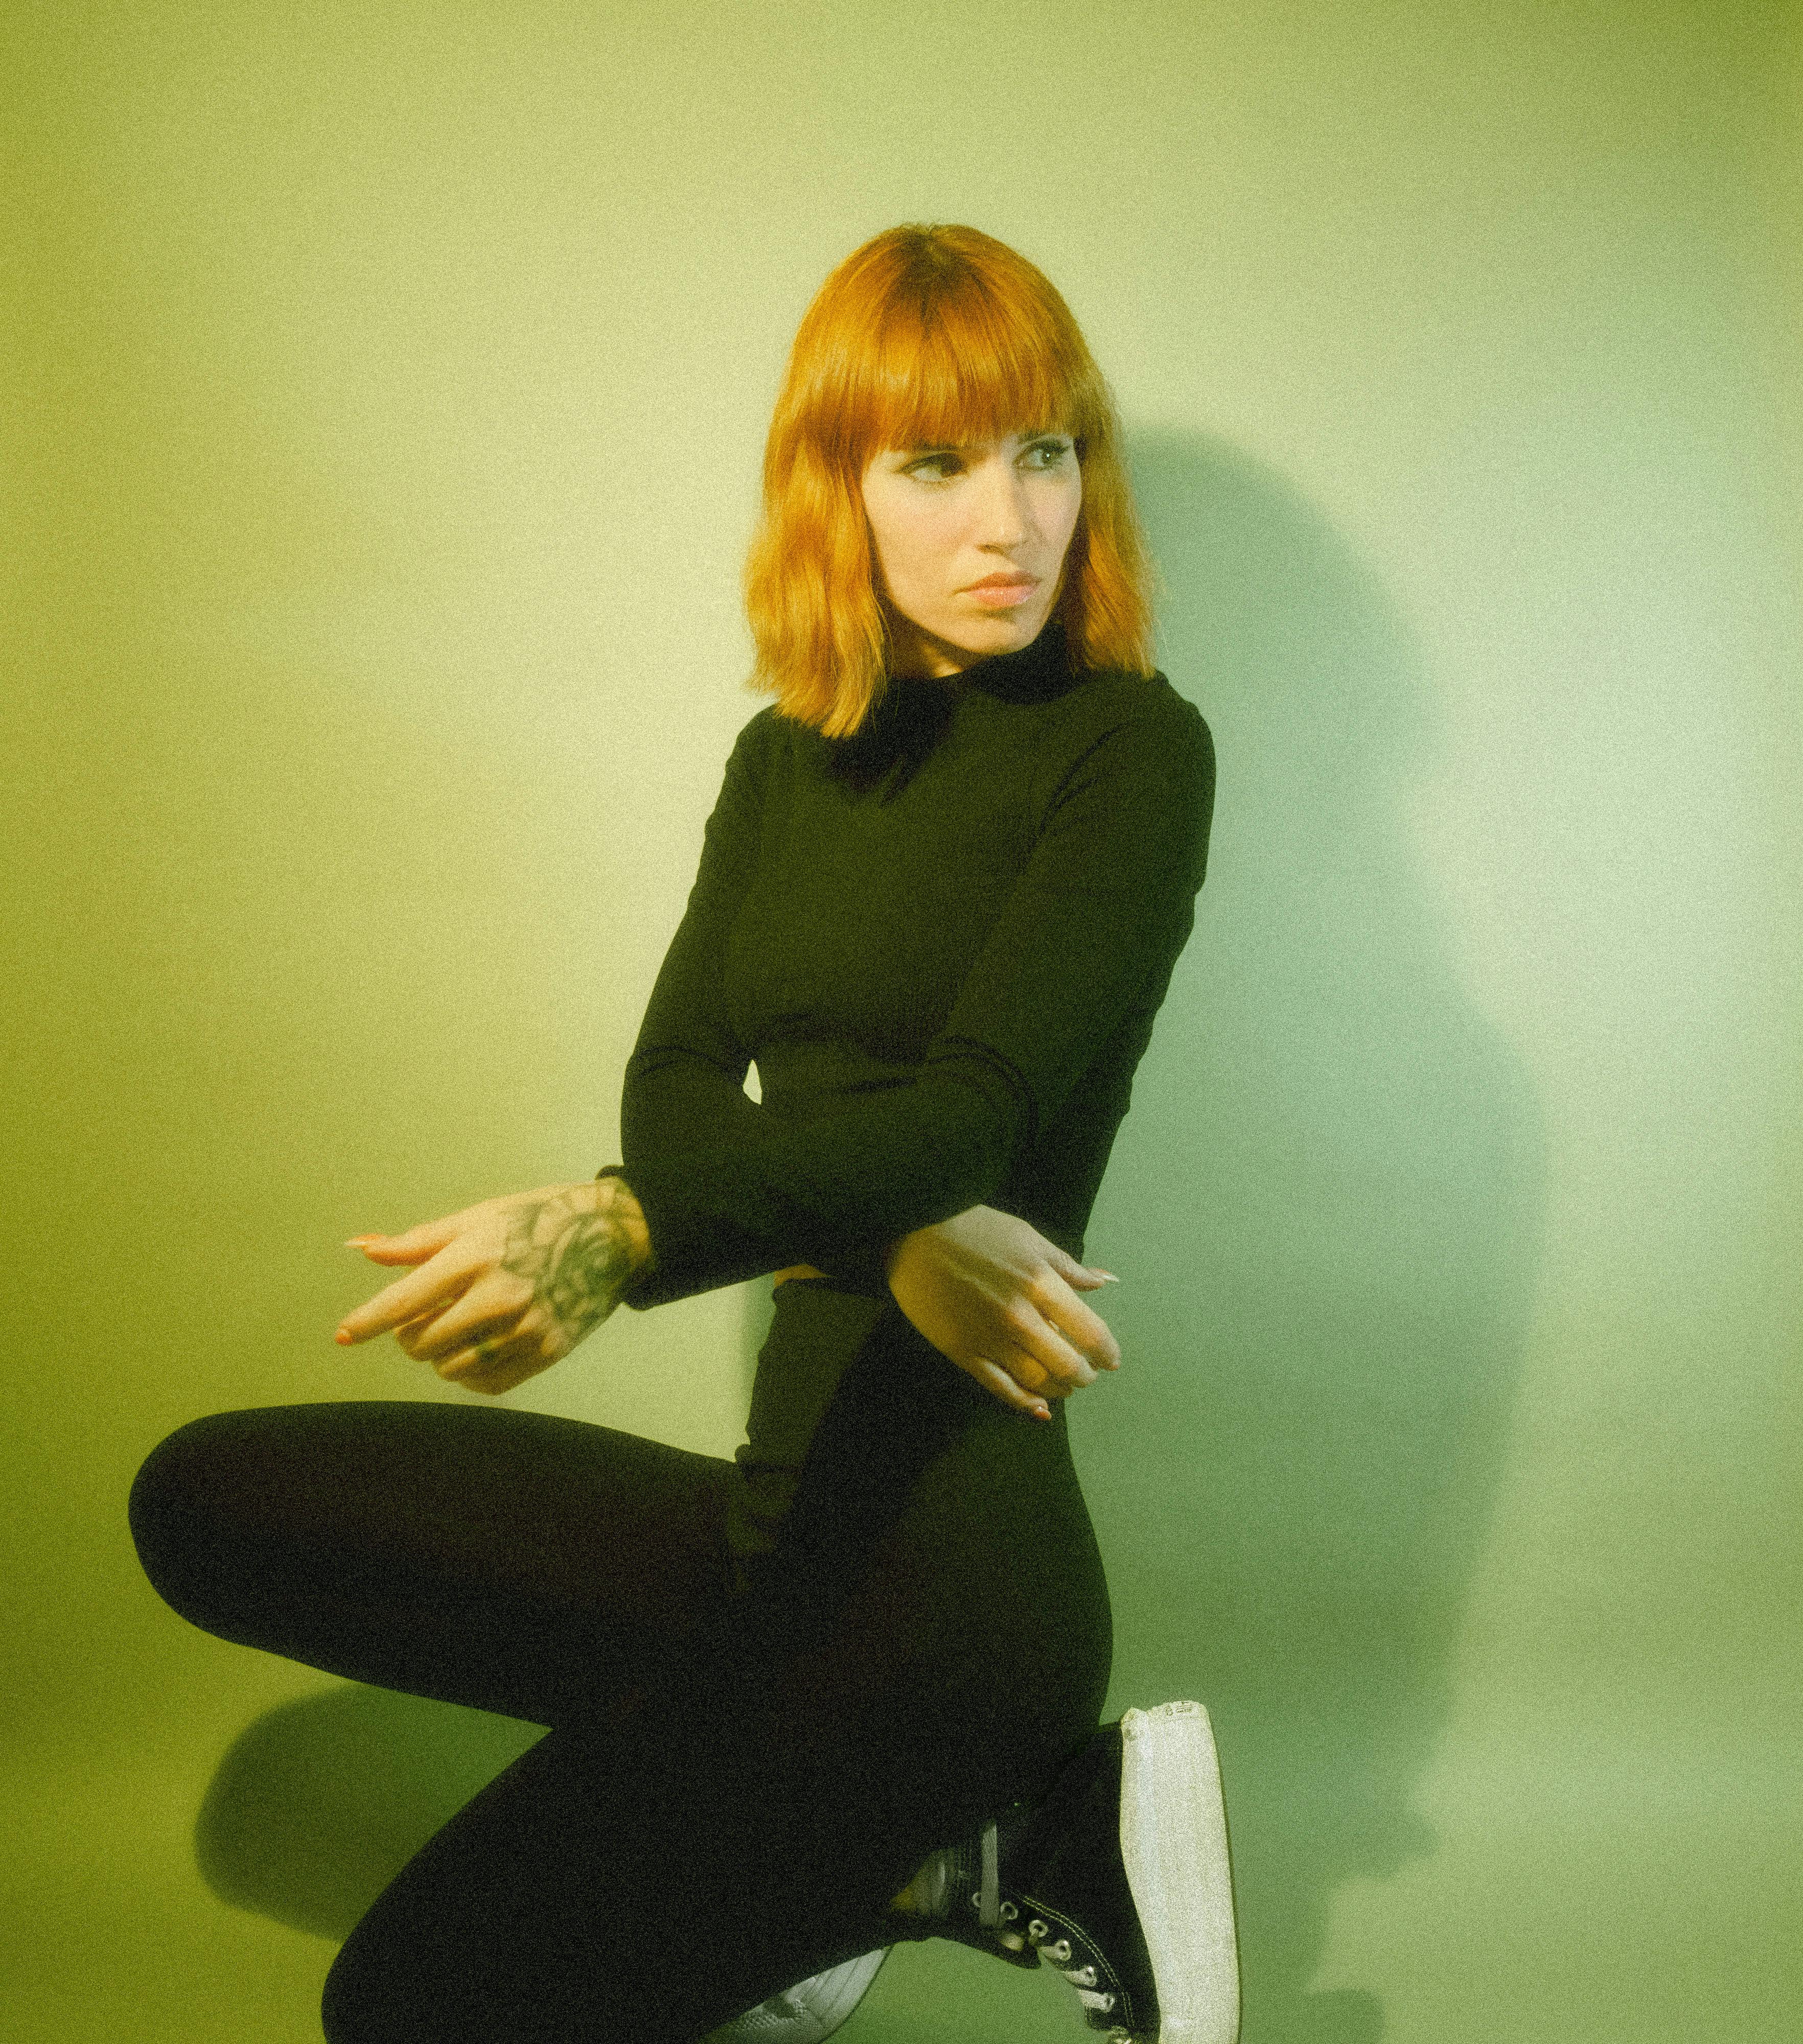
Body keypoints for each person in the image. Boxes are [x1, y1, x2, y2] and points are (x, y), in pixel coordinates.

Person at [128, 224, 1238, 2043]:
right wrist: (888, 1232)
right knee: (207, 1502)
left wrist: (630, 1234)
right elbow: (671, 1085)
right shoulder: (787, 760)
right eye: (938, 463)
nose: (1010, 523)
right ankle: (909, 1862)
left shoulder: (1130, 755)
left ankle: (990, 1809)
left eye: (1047, 453)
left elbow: (979, 1110)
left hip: (949, 1611)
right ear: (841, 488)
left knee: (407, 2012)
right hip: (769, 1550)